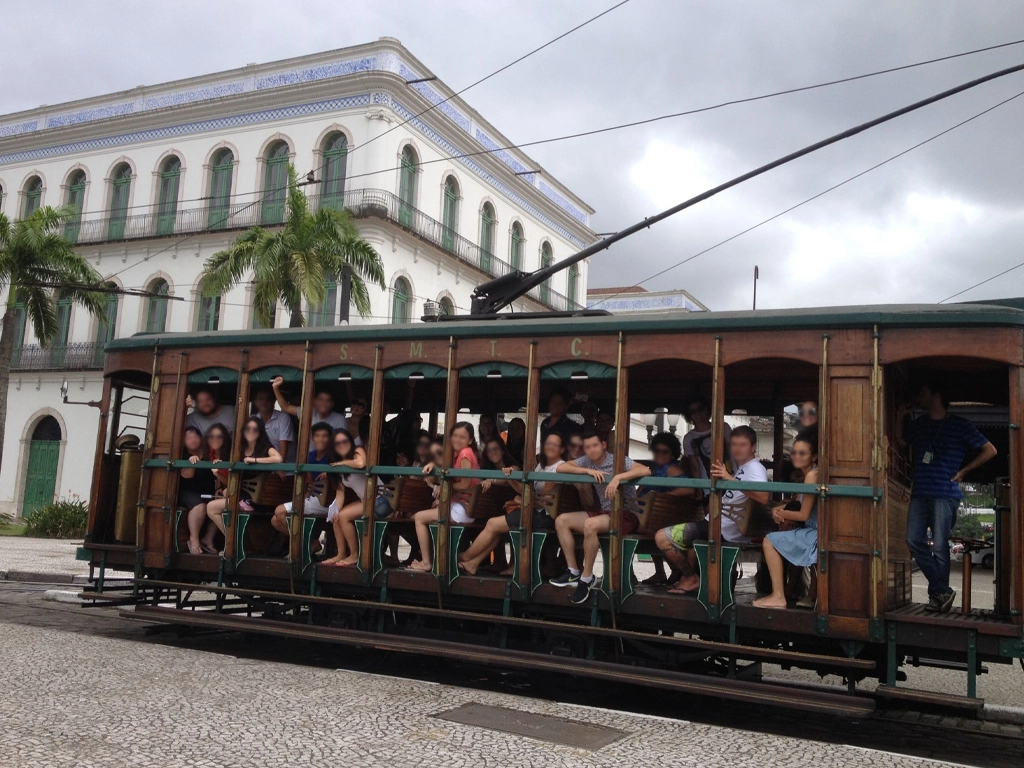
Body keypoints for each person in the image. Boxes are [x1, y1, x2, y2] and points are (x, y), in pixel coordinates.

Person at [895, 380, 997, 613]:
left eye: (922, 391)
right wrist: (900, 415)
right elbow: (901, 443)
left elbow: (990, 450)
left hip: (945, 493)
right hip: (920, 492)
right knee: (913, 540)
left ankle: (938, 597)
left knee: (940, 547)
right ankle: (943, 590)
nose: (919, 397)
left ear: (936, 394)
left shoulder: (960, 425)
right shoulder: (920, 424)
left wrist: (964, 471)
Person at [655, 426, 769, 595]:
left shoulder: (755, 468)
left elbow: (763, 496)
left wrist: (729, 479)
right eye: (734, 444)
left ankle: (691, 578)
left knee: (661, 537)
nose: (738, 449)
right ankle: (690, 580)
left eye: (743, 444)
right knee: (692, 549)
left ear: (753, 447)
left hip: (723, 529)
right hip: (716, 523)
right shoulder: (743, 468)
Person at [549, 429, 652, 604]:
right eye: (587, 447)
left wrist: (618, 477)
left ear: (603, 445)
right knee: (562, 520)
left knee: (590, 524)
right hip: (604, 513)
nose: (592, 450)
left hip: (625, 514)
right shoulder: (587, 461)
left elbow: (645, 470)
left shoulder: (616, 460)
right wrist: (586, 471)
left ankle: (587, 578)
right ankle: (573, 572)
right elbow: (560, 467)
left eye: (595, 445)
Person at [458, 432, 565, 576]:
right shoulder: (541, 466)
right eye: (548, 444)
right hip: (535, 511)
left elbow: (540, 499)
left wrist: (522, 499)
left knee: (492, 524)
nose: (550, 447)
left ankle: (465, 556)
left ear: (562, 449)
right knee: (496, 529)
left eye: (555, 445)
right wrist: (511, 479)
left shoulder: (559, 467)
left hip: (544, 515)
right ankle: (472, 564)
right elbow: (527, 491)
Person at [753, 436, 819, 609]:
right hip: (815, 531)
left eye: (802, 453)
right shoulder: (810, 474)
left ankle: (778, 596)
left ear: (814, 456)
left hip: (817, 534)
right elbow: (800, 504)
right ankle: (791, 591)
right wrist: (780, 511)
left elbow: (804, 515)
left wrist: (780, 513)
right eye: (794, 452)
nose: (796, 456)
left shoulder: (813, 475)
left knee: (769, 541)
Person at [200, 417, 282, 554]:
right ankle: (231, 542)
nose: (251, 432)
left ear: (260, 431)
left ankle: (232, 542)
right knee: (225, 493)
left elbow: (278, 458)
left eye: (255, 429)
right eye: (248, 429)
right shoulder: (240, 449)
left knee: (211, 508)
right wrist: (218, 471)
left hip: (254, 498)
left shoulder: (264, 447)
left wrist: (254, 460)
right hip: (241, 493)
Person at [409, 422, 479, 572]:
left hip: (463, 508)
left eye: (462, 437)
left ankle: (426, 562)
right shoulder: (457, 453)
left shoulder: (465, 453)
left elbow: (466, 484)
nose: (458, 440)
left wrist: (444, 487)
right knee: (429, 511)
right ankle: (435, 557)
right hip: (461, 505)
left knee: (419, 518)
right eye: (455, 436)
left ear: (470, 440)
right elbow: (443, 461)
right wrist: (433, 464)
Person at [640, 432, 700, 586]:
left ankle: (677, 570)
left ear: (672, 453)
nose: (660, 454)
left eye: (664, 451)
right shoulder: (654, 469)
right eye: (657, 450)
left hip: (660, 517)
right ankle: (662, 572)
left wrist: (664, 495)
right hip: (650, 514)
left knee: (640, 529)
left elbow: (690, 489)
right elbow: (639, 492)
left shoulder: (672, 469)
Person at [271, 422, 337, 542]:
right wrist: (304, 499)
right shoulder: (310, 457)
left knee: (279, 511)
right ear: (312, 438)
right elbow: (308, 482)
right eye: (317, 435)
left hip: (328, 503)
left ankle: (308, 544)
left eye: (325, 436)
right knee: (275, 521)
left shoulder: (334, 457)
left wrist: (331, 471)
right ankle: (310, 543)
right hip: (313, 500)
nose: (321, 439)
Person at [322, 429, 369, 567]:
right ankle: (341, 553)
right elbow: (340, 493)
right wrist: (335, 509)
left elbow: (361, 464)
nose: (342, 445)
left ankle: (354, 555)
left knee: (343, 516)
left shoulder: (358, 451)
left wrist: (342, 463)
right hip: (364, 501)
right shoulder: (336, 463)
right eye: (337, 443)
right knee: (337, 516)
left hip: (380, 499)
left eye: (345, 441)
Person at [271, 376, 347, 446]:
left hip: (330, 458)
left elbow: (342, 443)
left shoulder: (339, 419)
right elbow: (286, 407)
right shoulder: (308, 412)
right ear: (315, 401)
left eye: (328, 400)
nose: (324, 403)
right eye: (321, 400)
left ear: (332, 404)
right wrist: (275, 388)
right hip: (309, 457)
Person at [682, 395, 732, 494]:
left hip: (731, 480)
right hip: (708, 486)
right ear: (689, 415)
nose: (698, 414)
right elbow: (695, 466)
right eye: (693, 412)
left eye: (700, 409)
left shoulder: (723, 427)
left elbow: (734, 452)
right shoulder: (689, 438)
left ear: (707, 409)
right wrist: (700, 491)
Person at [180, 427, 215, 555]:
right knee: (200, 506)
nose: (193, 440)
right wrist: (191, 462)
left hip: (207, 491)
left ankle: (208, 539)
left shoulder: (209, 453)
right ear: (183, 441)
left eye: (195, 437)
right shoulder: (183, 454)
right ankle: (193, 539)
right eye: (189, 438)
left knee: (219, 505)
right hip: (188, 491)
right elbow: (187, 476)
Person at [251, 387, 295, 462]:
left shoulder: (283, 417)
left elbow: (283, 447)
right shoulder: (253, 419)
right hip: (261, 465)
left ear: (274, 401)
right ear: (255, 402)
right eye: (260, 399)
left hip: (284, 468)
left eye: (268, 399)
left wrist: (278, 468)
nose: (264, 402)